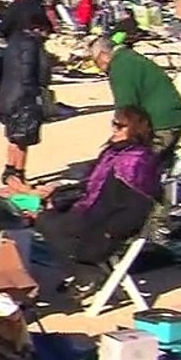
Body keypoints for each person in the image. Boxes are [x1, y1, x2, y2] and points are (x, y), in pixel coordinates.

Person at [32, 106, 161, 298]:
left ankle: (86, 274)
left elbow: (138, 205)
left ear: (135, 129)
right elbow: (91, 185)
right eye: (114, 124)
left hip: (109, 222)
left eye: (120, 126)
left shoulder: (136, 162)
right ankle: (82, 272)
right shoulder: (114, 152)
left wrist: (110, 231)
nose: (114, 129)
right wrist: (57, 195)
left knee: (49, 224)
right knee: (42, 217)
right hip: (93, 210)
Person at [90, 36, 181, 161]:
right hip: (171, 116)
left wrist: (119, 130)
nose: (98, 67)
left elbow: (126, 105)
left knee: (144, 162)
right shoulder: (128, 57)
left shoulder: (120, 66)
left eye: (96, 61)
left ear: (103, 55)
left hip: (162, 122)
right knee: (159, 162)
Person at [0, 12, 50, 188]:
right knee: (23, 138)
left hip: (8, 94)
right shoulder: (34, 44)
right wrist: (38, 90)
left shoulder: (13, 42)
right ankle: (19, 173)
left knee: (13, 136)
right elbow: (40, 72)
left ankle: (9, 168)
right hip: (25, 95)